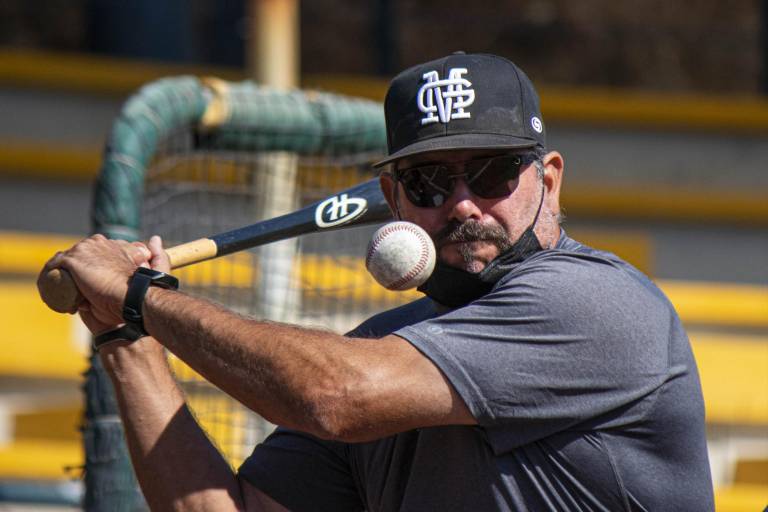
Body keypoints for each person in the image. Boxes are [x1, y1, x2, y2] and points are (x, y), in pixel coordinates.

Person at [43, 53, 714, 511]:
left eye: (491, 173)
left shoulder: (597, 305)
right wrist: (125, 334)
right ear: (393, 197)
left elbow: (333, 395)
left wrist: (142, 295)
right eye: (428, 181)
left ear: (549, 178)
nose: (462, 204)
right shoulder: (386, 348)